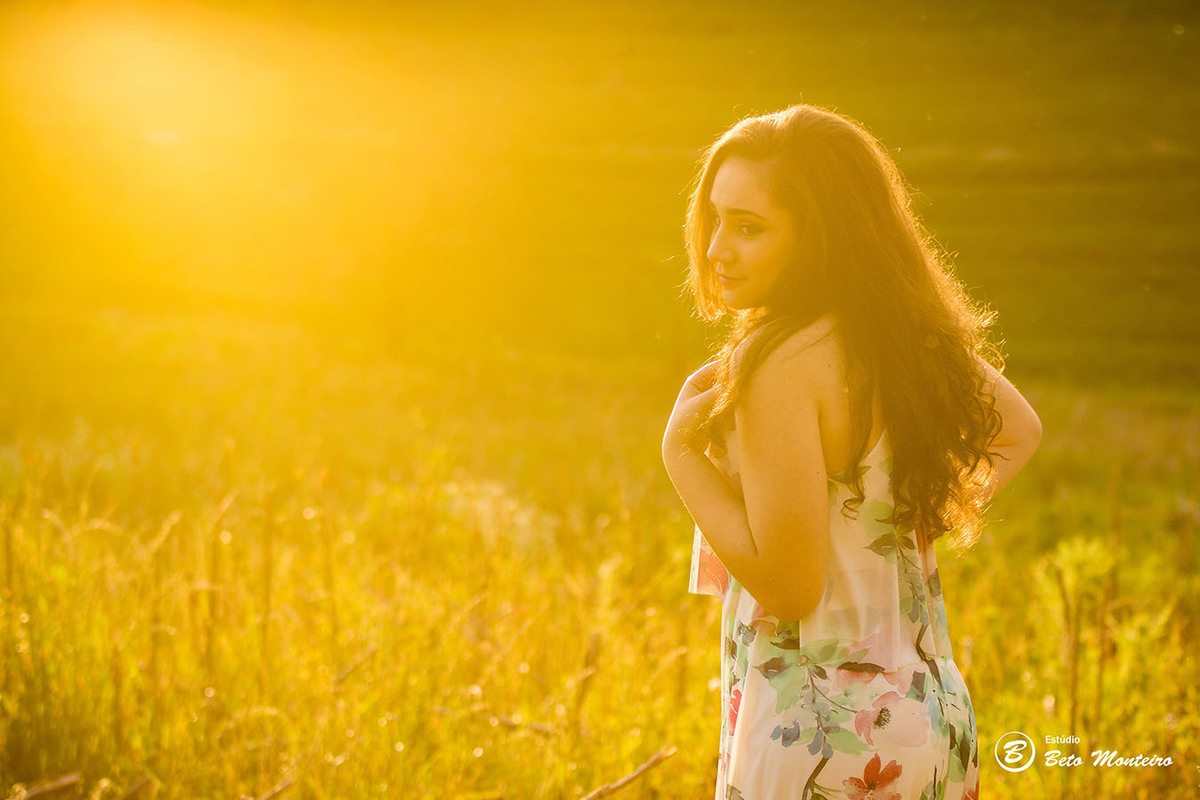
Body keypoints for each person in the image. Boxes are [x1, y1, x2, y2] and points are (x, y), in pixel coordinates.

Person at [661, 104, 1042, 800]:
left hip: (818, 737)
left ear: (821, 237)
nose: (716, 249)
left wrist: (680, 456)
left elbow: (790, 589)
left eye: (748, 227)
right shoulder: (899, 334)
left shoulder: (777, 367)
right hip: (931, 717)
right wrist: (895, 518)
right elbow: (1018, 430)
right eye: (715, 218)